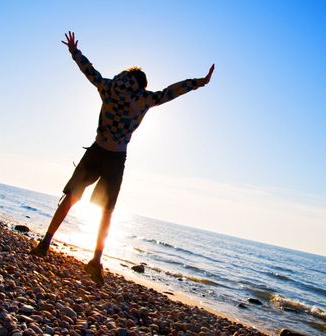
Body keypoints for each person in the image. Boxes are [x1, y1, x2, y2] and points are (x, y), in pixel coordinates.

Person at [30, 31, 214, 286]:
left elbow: (88, 70)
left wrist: (74, 50)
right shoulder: (144, 100)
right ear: (143, 85)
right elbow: (172, 92)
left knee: (71, 198)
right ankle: (95, 260)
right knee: (106, 212)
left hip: (96, 151)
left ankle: (45, 243)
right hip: (115, 159)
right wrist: (199, 82)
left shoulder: (108, 87)